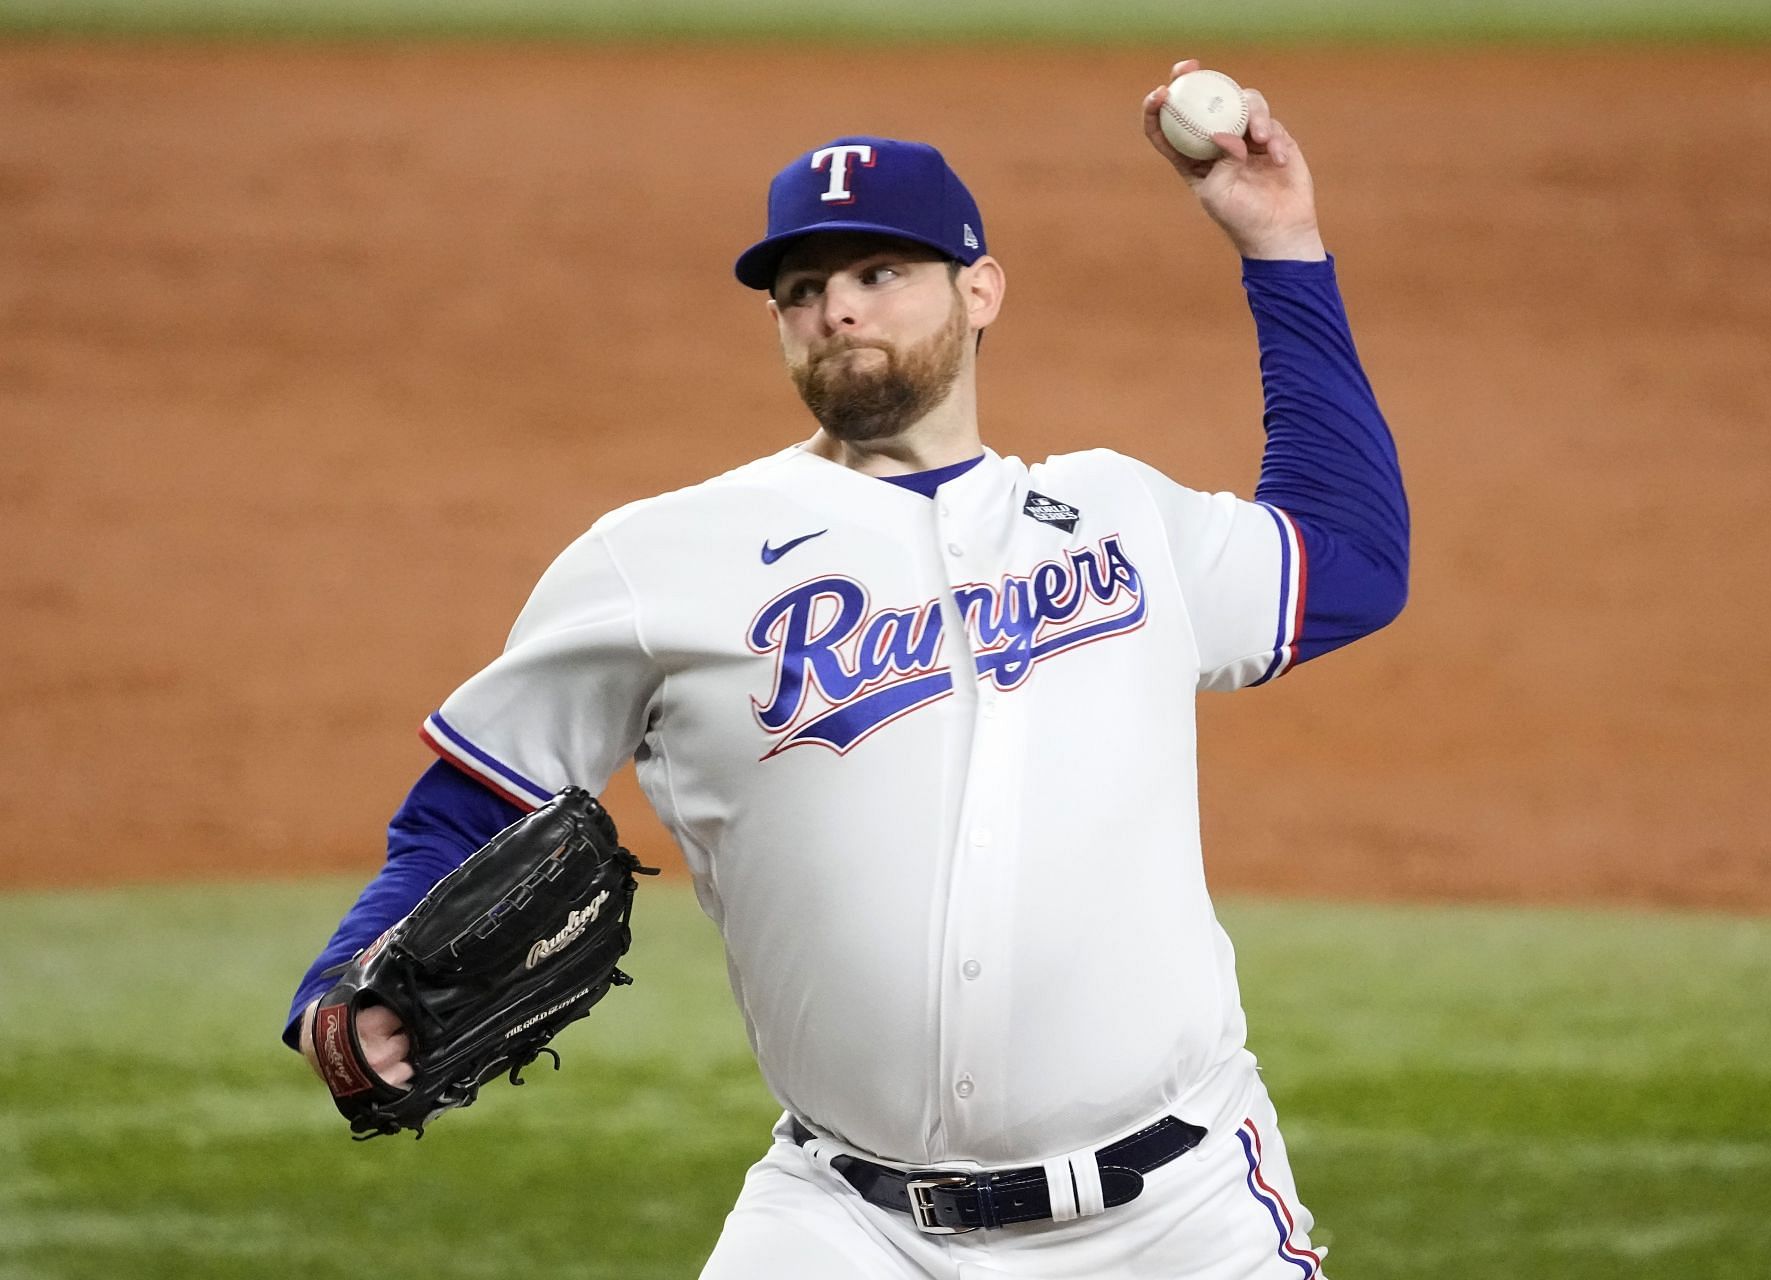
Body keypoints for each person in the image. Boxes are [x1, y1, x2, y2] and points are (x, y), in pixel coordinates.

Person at [287, 58, 1409, 1279]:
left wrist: (1281, 243)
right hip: (849, 1227)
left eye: (882, 273)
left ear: (980, 290)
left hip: (1185, 1215)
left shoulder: (1120, 517)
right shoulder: (661, 558)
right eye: (804, 287)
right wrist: (341, 980)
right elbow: (469, 801)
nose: (841, 309)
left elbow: (1350, 554)